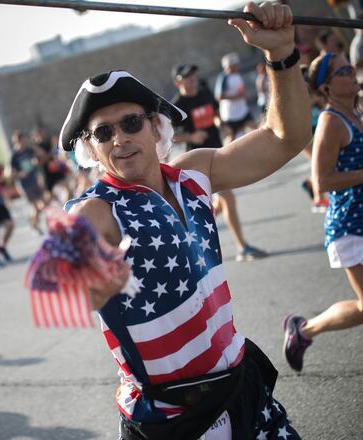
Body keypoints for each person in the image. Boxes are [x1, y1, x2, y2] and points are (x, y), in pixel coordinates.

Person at [59, 3, 308, 438]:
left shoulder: (195, 173)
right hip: (174, 422)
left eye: (131, 122)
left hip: (242, 389)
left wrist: (282, 55)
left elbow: (286, 138)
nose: (119, 138)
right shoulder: (97, 208)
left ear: (156, 129)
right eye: (102, 132)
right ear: (91, 151)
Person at [283, 51, 363, 373]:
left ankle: (302, 331)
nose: (352, 73)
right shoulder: (332, 120)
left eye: (351, 67)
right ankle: (303, 331)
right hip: (350, 227)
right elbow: (322, 182)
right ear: (327, 87)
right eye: (344, 71)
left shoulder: (356, 113)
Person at [172, 63, 267, 262]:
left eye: (193, 75)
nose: (192, 80)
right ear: (177, 82)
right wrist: (191, 136)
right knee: (228, 199)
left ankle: (191, 238)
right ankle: (242, 247)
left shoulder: (205, 94)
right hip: (197, 164)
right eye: (187, 77)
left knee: (217, 204)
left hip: (217, 154)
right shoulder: (177, 105)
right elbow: (166, 138)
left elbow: (215, 115)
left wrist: (221, 126)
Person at [9, 130, 46, 234]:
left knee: (42, 205)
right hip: (24, 184)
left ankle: (33, 222)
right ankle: (34, 224)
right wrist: (20, 174)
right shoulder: (14, 155)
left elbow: (42, 154)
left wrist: (33, 147)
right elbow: (10, 173)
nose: (25, 141)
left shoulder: (28, 150)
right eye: (23, 140)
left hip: (34, 180)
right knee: (35, 207)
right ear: (18, 141)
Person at [215, 52, 257, 142]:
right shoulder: (223, 78)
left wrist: (245, 94)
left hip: (243, 110)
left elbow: (240, 90)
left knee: (255, 128)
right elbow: (219, 96)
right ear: (231, 66)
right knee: (232, 138)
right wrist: (238, 97)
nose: (239, 66)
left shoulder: (237, 75)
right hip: (231, 115)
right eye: (236, 64)